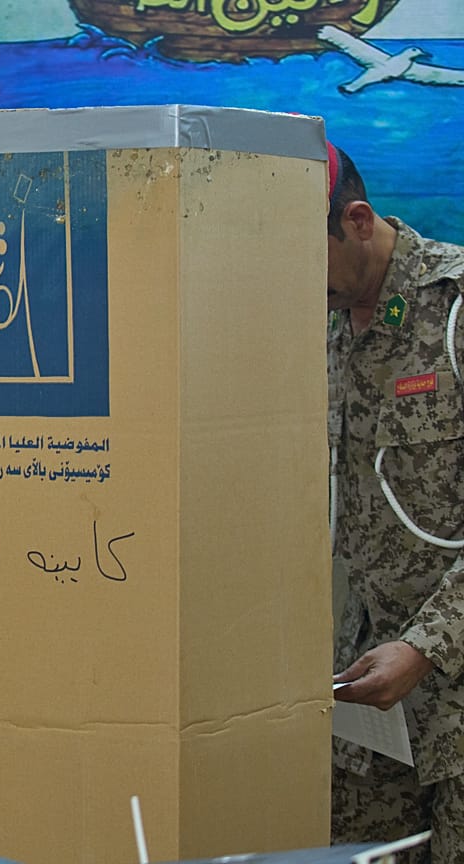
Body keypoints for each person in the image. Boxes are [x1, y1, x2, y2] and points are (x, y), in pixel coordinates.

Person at [326, 141, 464, 861]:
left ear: (356, 220)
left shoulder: (453, 309)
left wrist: (425, 645)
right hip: (363, 701)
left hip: (454, 692)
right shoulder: (315, 319)